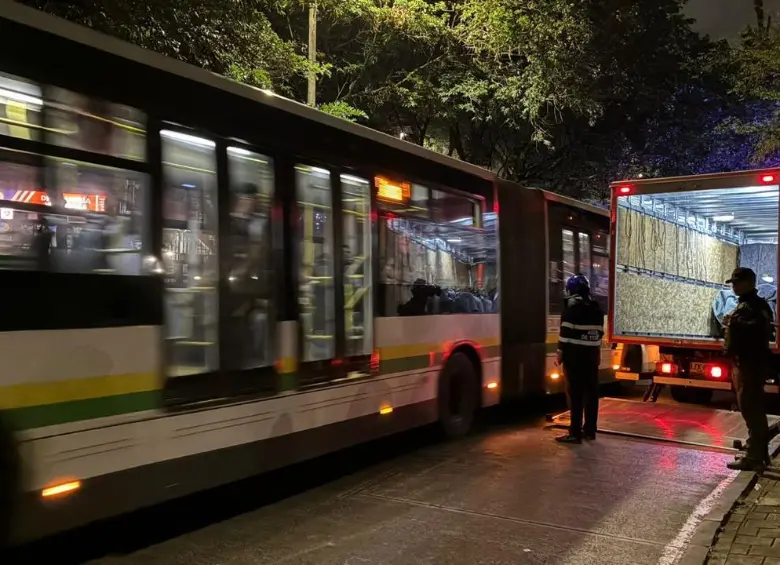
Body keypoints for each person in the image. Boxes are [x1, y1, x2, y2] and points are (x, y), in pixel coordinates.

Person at [724, 267, 775, 471]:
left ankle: (755, 456)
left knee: (751, 408)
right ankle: (756, 450)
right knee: (748, 408)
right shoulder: (745, 304)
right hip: (743, 363)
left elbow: (761, 330)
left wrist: (735, 322)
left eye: (737, 282)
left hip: (751, 364)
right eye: (733, 283)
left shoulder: (756, 306)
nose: (734, 286)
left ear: (749, 283)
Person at [555, 274, 605, 444]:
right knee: (591, 396)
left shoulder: (571, 308)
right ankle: (590, 431)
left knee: (575, 397)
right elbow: (599, 334)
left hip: (574, 359)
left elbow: (565, 335)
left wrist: (560, 354)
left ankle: (574, 433)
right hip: (591, 359)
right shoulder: (596, 308)